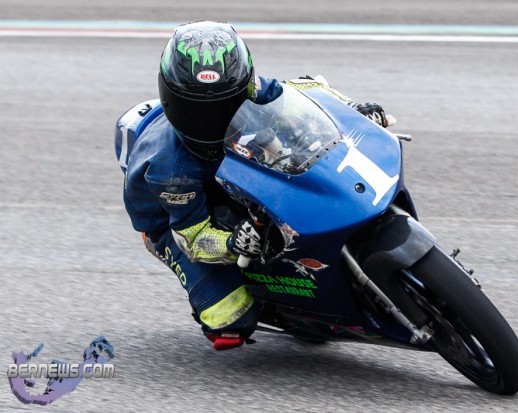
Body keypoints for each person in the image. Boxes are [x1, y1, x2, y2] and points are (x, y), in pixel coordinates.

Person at [114, 20, 389, 351]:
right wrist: (232, 243)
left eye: (226, 105)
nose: (211, 120)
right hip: (170, 219)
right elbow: (192, 239)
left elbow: (304, 91)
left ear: (245, 86)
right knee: (230, 317)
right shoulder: (168, 168)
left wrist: (350, 111)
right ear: (170, 98)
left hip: (227, 163)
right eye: (195, 109)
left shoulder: (252, 88)